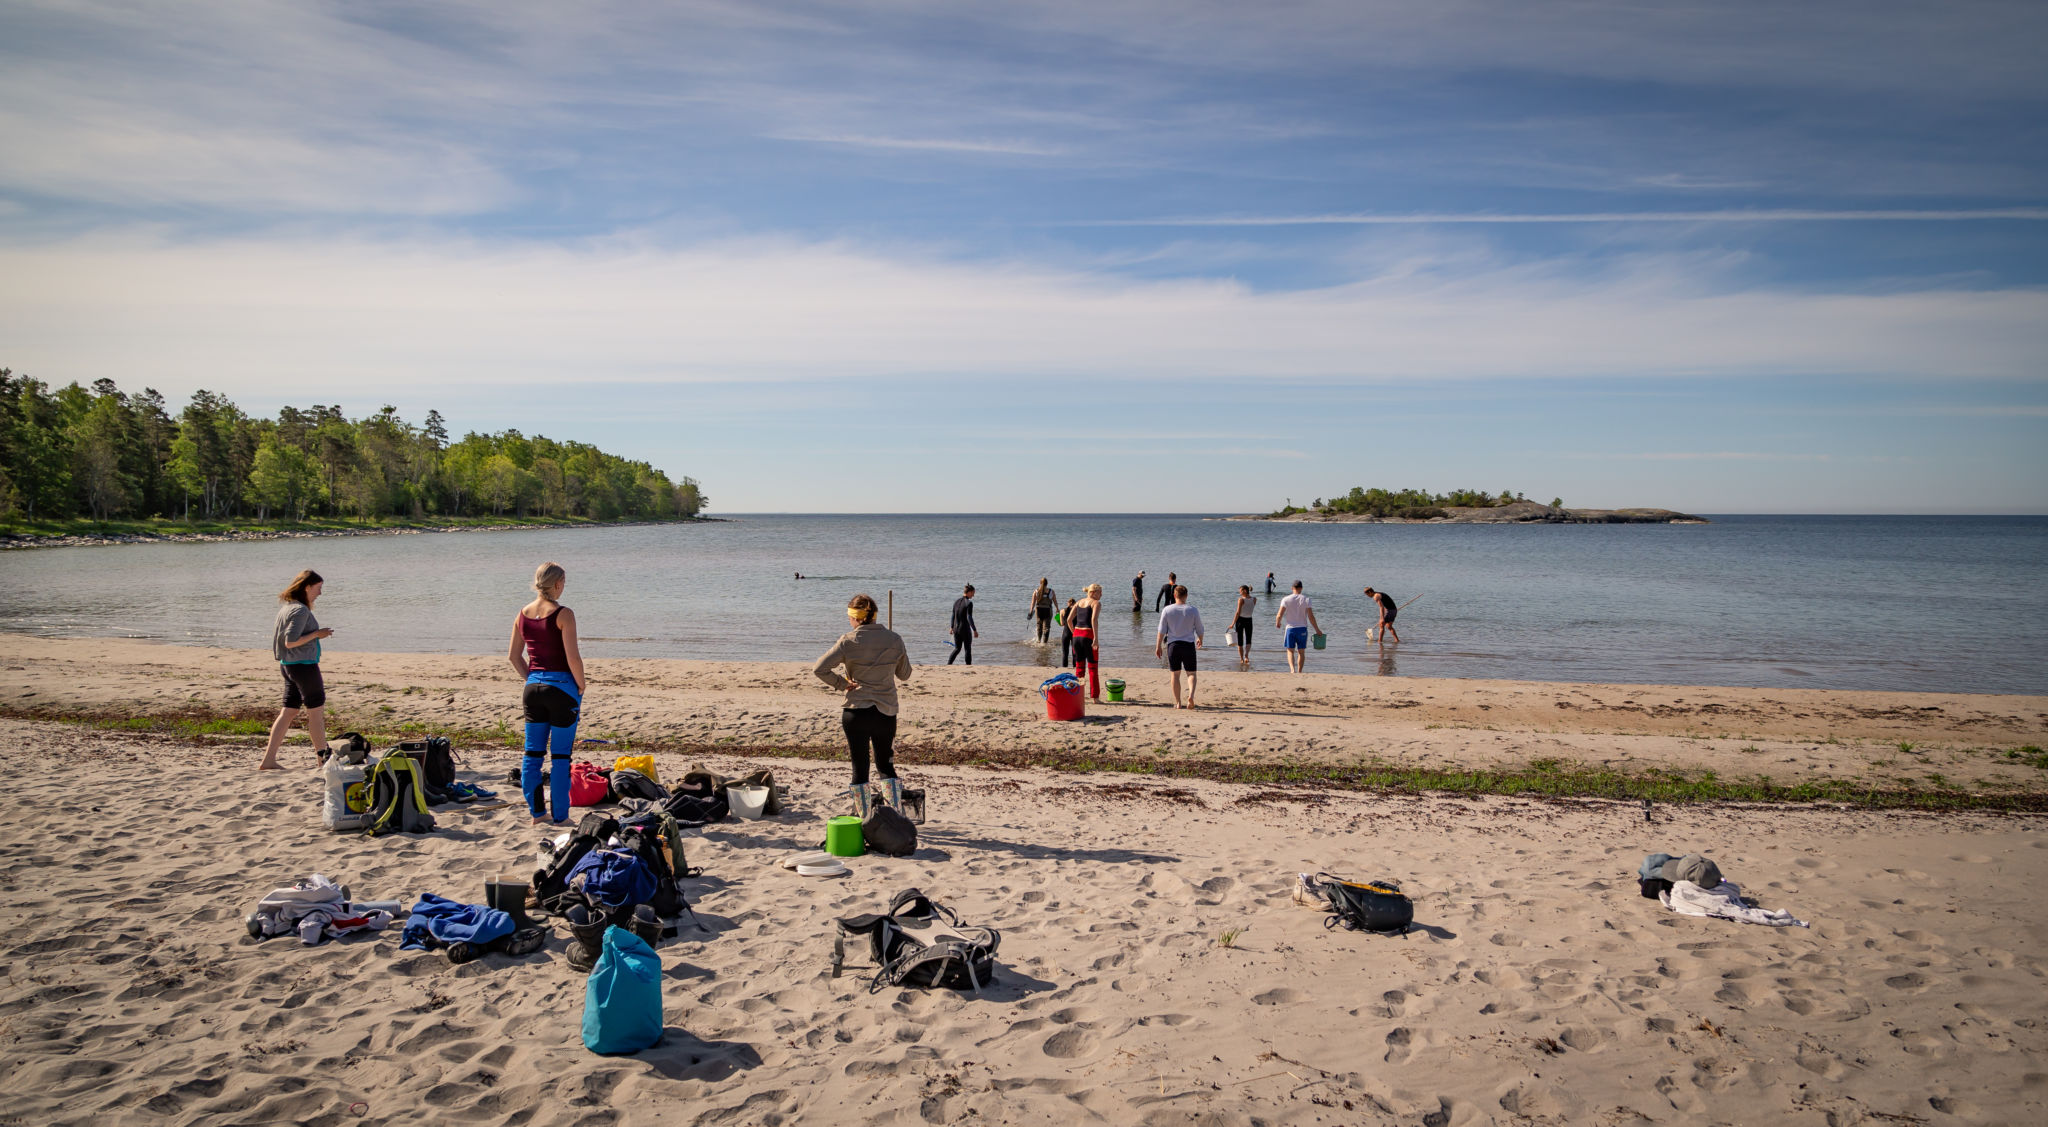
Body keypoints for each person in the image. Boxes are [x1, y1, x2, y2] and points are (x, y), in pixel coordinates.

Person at [813, 593, 914, 816]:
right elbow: (905, 674)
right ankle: (895, 816)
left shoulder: (848, 640)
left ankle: (864, 817)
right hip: (885, 712)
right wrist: (894, 655)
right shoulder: (894, 639)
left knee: (860, 769)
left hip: (855, 712)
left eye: (850, 617)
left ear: (856, 618)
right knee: (885, 766)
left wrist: (842, 684)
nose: (849, 621)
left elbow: (819, 668)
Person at [509, 562, 585, 826]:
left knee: (532, 754)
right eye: (564, 583)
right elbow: (572, 657)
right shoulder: (564, 614)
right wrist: (581, 685)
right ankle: (561, 817)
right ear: (557, 584)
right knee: (561, 757)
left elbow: (513, 657)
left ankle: (537, 814)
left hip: (532, 689)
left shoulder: (522, 614)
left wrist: (531, 678)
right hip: (562, 689)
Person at [259, 569, 335, 770]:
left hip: (289, 666)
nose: (320, 593)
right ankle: (323, 761)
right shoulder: (300, 610)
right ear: (307, 587)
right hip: (303, 667)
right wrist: (317, 634)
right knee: (316, 713)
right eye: (318, 588)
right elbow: (290, 641)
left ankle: (268, 760)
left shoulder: (287, 607)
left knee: (289, 711)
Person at [1155, 584, 1204, 708]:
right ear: (1186, 596)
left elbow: (1161, 630)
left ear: (1174, 595)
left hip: (1173, 645)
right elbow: (1200, 629)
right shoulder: (1193, 610)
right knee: (1191, 674)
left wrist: (1158, 646)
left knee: (1175, 675)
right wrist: (1200, 639)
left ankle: (1178, 703)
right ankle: (1191, 697)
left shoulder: (1167, 610)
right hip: (1188, 645)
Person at [1275, 580, 1322, 673]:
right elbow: (1311, 616)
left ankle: (1292, 670)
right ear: (1301, 588)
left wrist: (1278, 622)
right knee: (1301, 651)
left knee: (1290, 650)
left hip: (1290, 628)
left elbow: (1279, 614)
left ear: (1292, 588)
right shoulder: (1306, 599)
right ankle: (1300, 671)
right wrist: (1317, 629)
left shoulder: (1286, 599)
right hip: (1302, 629)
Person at [1071, 583, 1104, 700]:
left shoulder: (1079, 602)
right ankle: (1095, 698)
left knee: (1079, 668)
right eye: (1100, 592)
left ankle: (1077, 696)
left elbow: (1069, 620)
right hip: (1088, 635)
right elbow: (1093, 619)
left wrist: (1074, 633)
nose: (1101, 594)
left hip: (1076, 636)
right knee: (1093, 668)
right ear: (1093, 592)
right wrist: (1095, 638)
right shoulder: (1096, 603)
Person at [947, 584, 979, 664]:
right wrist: (974, 630)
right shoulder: (969, 603)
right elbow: (969, 617)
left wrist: (951, 627)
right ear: (969, 592)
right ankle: (968, 666)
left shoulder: (956, 602)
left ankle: (948, 664)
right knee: (967, 649)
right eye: (973, 593)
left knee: (957, 648)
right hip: (965, 629)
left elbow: (953, 616)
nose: (973, 595)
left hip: (956, 629)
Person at [1231, 584, 1258, 664]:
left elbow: (1238, 613)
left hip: (1240, 620)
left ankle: (1242, 659)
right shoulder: (1254, 599)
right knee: (1248, 639)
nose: (1239, 592)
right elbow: (1250, 609)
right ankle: (1246, 655)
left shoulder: (1241, 600)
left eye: (1240, 591)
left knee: (1240, 640)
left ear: (1245, 591)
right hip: (1249, 619)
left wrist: (1232, 623)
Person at [1027, 578, 1058, 644]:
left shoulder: (1036, 591)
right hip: (1048, 610)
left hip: (1038, 610)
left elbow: (1033, 603)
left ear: (1040, 583)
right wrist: (1057, 609)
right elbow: (1055, 601)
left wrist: (1030, 611)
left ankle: (1038, 641)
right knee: (1046, 627)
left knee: (1039, 625)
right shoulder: (1051, 591)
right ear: (1047, 583)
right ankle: (1044, 642)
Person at [1059, 597, 1078, 665]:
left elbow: (1062, 624)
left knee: (1065, 653)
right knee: (1075, 653)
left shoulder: (1062, 611)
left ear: (1068, 603)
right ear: (1075, 603)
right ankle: (1075, 667)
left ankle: (1064, 668)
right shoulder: (1077, 611)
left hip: (1065, 633)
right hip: (1074, 632)